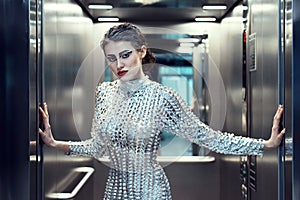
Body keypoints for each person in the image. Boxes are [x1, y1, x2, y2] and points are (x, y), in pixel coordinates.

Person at [39, 23, 285, 200]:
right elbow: (97, 146)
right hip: (113, 191)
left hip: (151, 191)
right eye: (111, 58)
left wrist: (264, 145)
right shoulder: (104, 92)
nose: (119, 64)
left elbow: (208, 137)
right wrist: (56, 143)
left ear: (142, 52)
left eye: (125, 55)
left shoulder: (163, 97)